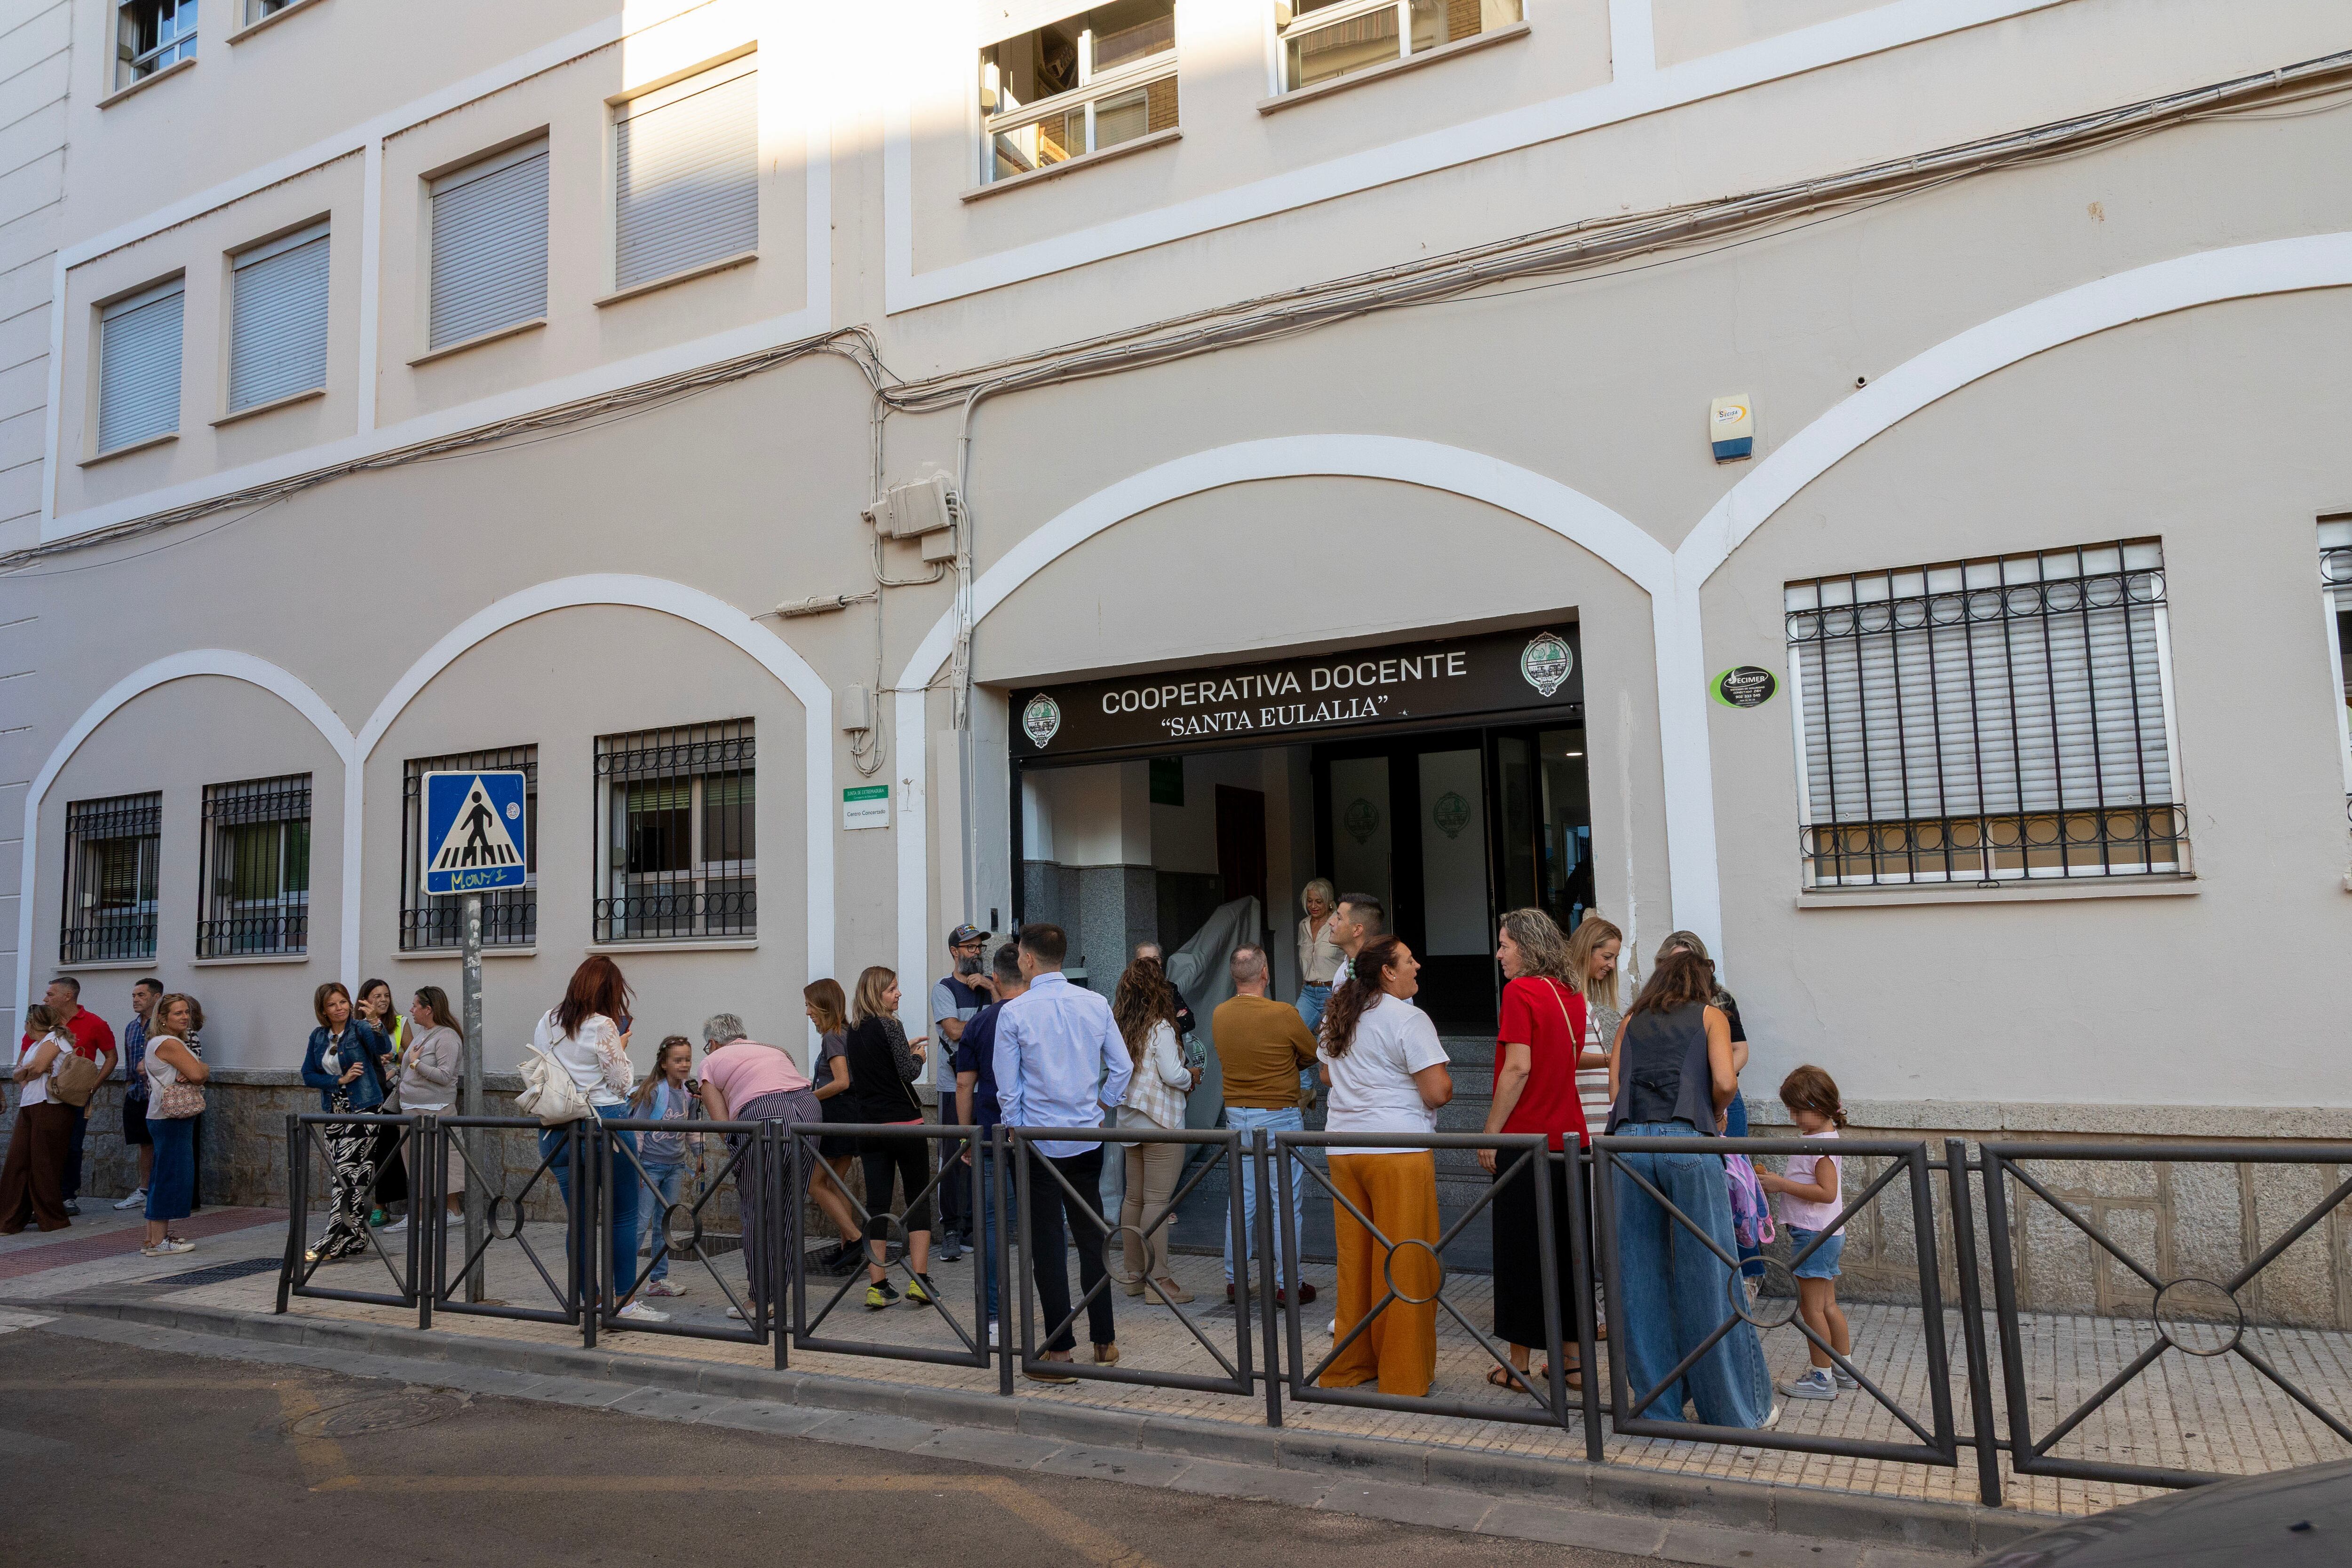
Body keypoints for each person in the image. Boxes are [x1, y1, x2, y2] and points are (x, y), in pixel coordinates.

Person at [1605, 948, 1776, 1430]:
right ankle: (1733, 1412)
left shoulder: (1630, 1019)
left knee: (1639, 1277)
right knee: (1710, 1272)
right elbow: (1725, 1081)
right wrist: (1715, 1109)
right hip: (1687, 1139)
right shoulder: (1710, 1015)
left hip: (1629, 1145)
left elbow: (1615, 1091)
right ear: (1701, 983)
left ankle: (1657, 1408)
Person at [994, 922, 1131, 1380]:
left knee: (1047, 1245)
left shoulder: (1014, 1013)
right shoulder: (1094, 1004)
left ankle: (1059, 1352)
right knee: (1093, 1236)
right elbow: (1122, 1067)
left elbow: (1007, 1087)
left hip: (1037, 1142)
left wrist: (1014, 1128)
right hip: (1086, 1137)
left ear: (1027, 960)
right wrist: (1101, 1106)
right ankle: (1105, 1340)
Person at [1317, 938, 1452, 1396]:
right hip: (1397, 1151)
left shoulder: (1340, 1014)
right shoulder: (1409, 1018)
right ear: (1388, 973)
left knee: (1355, 1264)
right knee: (1406, 1262)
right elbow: (1436, 1091)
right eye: (1408, 959)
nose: (1417, 964)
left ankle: (1350, 1366)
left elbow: (1325, 1074)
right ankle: (1402, 1375)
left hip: (1342, 1148)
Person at [1478, 908, 1589, 1391]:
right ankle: (1572, 1363)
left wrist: (1490, 1134)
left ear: (1526, 945)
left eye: (1504, 944)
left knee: (1520, 1253)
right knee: (1568, 1252)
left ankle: (1517, 1366)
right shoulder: (1572, 996)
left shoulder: (1519, 991)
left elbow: (1517, 1068)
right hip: (1573, 1139)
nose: (1499, 953)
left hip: (1527, 1140)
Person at [531, 957, 664, 1322]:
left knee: (580, 1220)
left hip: (558, 1127)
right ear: (610, 990)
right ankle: (624, 1303)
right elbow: (621, 1083)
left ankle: (588, 1300)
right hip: (605, 1125)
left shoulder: (548, 1019)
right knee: (621, 1216)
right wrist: (620, 1045)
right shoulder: (603, 1024)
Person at [1210, 944, 1320, 1304]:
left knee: (1241, 1201)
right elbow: (1310, 1053)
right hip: (1279, 1115)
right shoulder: (1285, 1014)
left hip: (1237, 1116)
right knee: (1285, 1203)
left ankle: (1234, 1280)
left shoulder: (1219, 1014)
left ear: (1233, 976)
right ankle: (1289, 1283)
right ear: (1265, 973)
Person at [699, 1013, 822, 1325]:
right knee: (790, 1206)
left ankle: (760, 1299)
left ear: (713, 1043)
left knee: (758, 1208)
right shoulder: (772, 1049)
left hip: (765, 1115)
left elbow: (723, 1126)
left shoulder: (712, 1062)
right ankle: (780, 1294)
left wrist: (739, 1158)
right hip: (809, 1109)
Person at [1654, 930, 1759, 1280]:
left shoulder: (1721, 1000)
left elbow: (1740, 1049)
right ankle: (1705, 1274)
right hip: (1680, 1103)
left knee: (1735, 1184)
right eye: (1673, 961)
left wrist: (1719, 1075)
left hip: (1723, 1098)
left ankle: (1748, 1275)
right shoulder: (1653, 1002)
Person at [840, 967, 936, 1312]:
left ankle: (877, 1285)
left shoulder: (852, 1031)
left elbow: (874, 1069)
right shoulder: (891, 1025)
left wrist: (902, 1051)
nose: (898, 995)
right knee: (918, 1199)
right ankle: (921, 1281)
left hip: (870, 1127)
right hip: (905, 1124)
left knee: (877, 1204)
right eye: (892, 989)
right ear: (876, 992)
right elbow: (908, 1072)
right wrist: (919, 1056)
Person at [1758, 1065, 1855, 1402]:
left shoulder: (1821, 1147)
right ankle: (1845, 1370)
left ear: (1819, 1106)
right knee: (1828, 1305)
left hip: (1814, 1233)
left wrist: (1780, 1184)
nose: (1794, 1116)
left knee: (1812, 1309)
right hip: (1826, 1233)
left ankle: (1821, 1377)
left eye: (1799, 1110)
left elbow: (1827, 1192)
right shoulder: (1822, 1139)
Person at [1112, 954, 1197, 1306]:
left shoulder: (1122, 1026)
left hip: (1130, 1120)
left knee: (1134, 1198)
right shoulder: (1161, 1027)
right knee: (1158, 1202)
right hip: (1161, 1120)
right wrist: (1191, 1076)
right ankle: (1160, 1280)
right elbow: (1172, 1074)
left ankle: (1134, 1275)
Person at [954, 941, 1023, 1344]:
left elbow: (965, 1083)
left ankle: (995, 1320)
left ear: (995, 978)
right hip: (1039, 1133)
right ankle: (1055, 1305)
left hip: (991, 1131)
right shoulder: (1038, 1014)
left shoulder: (980, 1023)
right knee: (1042, 1220)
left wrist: (967, 1135)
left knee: (994, 1224)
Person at [299, 981, 393, 1264]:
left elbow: (383, 1046)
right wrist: (338, 1080)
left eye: (343, 1002)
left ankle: (333, 1239)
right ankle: (357, 1238)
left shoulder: (360, 1028)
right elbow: (308, 1075)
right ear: (323, 1010)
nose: (339, 1009)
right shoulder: (318, 1037)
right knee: (352, 1177)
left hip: (364, 1110)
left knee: (345, 1175)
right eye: (332, 1005)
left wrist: (374, 1019)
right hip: (334, 1113)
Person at [23, 977, 115, 1216]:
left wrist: (92, 1087)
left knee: (73, 1146)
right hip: (41, 1099)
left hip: (75, 1097)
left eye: (51, 994)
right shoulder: (41, 1024)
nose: (45, 998)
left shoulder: (95, 1023)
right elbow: (25, 1057)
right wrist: (25, 1086)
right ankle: (41, 1199)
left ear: (68, 996)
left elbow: (111, 1057)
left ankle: (67, 1197)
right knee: (41, 1149)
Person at [929, 923, 994, 1261]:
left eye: (980, 948)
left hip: (987, 1086)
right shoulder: (944, 988)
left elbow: (1009, 1016)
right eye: (970, 947)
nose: (977, 953)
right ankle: (952, 1230)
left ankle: (975, 1227)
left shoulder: (990, 988)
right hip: (953, 1086)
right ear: (955, 951)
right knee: (954, 1157)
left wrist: (991, 987)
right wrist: (986, 1024)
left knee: (981, 1157)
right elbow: (953, 1031)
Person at [138, 993, 207, 1258]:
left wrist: (196, 1069)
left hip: (162, 1117)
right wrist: (202, 1069)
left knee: (160, 1176)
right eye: (178, 1013)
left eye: (186, 1012)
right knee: (170, 1177)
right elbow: (199, 1073)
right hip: (171, 1119)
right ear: (163, 1019)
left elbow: (195, 1071)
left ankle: (152, 1237)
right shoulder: (168, 1042)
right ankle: (159, 1242)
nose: (185, 1017)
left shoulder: (165, 1042)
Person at [629, 1035, 698, 1298]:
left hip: (675, 1167)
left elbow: (691, 1129)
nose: (684, 1065)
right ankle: (623, 1279)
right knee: (640, 1223)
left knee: (664, 1224)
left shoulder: (690, 1093)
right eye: (678, 1060)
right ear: (664, 1063)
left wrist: (699, 1155)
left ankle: (658, 1280)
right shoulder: (654, 1092)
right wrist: (636, 1167)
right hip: (649, 1167)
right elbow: (637, 1132)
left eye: (688, 1059)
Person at [802, 980, 864, 1270]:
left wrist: (807, 1098)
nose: (807, 1012)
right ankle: (847, 1250)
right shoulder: (848, 1031)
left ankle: (854, 1239)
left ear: (823, 1005)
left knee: (814, 1184)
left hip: (836, 1116)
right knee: (837, 1185)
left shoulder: (833, 1036)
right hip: (849, 1115)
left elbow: (842, 1081)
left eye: (809, 1006)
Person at [392, 987, 465, 1230]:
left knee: (444, 1163)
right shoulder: (424, 1033)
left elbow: (445, 1076)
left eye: (415, 1006)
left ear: (429, 1009)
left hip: (436, 1111)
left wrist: (415, 1064)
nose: (411, 1011)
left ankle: (453, 1212)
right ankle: (419, 1215)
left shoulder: (447, 1037)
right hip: (411, 1110)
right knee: (416, 1165)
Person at [1, 1006, 74, 1234]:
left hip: (49, 1104)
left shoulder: (55, 1041)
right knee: (18, 1161)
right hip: (31, 1103)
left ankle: (52, 1219)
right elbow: (19, 1073)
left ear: (32, 1023)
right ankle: (9, 1220)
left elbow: (37, 1069)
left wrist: (27, 1071)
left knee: (43, 1164)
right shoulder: (36, 1045)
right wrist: (26, 1071)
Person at [1565, 917, 1624, 1147]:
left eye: (1615, 959)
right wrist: (1613, 1060)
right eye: (1607, 957)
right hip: (1584, 1113)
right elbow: (1567, 1055)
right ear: (1586, 950)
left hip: (1596, 1113)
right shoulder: (1569, 996)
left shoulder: (1582, 998)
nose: (1612, 966)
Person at [112, 978, 163, 1211]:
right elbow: (129, 1062)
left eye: (141, 995)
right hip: (138, 1094)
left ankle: (159, 1191)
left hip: (161, 1095)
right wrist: (130, 1087)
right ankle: (144, 1190)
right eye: (134, 996)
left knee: (163, 1143)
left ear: (156, 997)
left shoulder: (163, 1025)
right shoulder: (132, 1027)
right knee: (144, 1144)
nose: (135, 1000)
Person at [1294, 879, 1343, 1036]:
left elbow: (1353, 958)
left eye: (1318, 902)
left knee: (1330, 1041)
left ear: (1329, 902)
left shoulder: (1339, 923)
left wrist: (1345, 992)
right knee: (1295, 1034)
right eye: (1310, 901)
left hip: (1333, 992)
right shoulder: (1304, 925)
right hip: (1308, 992)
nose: (1313, 906)